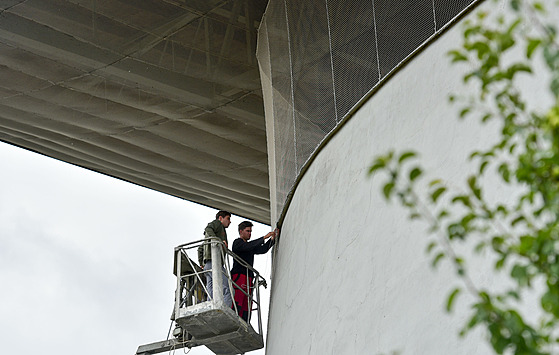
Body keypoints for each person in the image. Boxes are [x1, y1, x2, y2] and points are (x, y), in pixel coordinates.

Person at [230, 221, 277, 321]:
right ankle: (235, 318)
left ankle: (245, 321)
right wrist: (264, 238)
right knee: (239, 298)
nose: (249, 233)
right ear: (241, 231)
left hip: (248, 277)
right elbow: (248, 246)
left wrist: (272, 240)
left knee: (247, 301)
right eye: (247, 231)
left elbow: (262, 249)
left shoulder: (248, 245)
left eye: (250, 231)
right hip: (239, 276)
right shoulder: (237, 243)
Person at [198, 210, 232, 306]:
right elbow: (208, 228)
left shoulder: (216, 231)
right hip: (215, 264)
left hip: (208, 265)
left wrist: (202, 262)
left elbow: (200, 248)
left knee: (211, 292)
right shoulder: (218, 224)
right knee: (228, 290)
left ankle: (211, 307)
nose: (230, 222)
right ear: (220, 218)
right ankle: (226, 310)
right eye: (228, 219)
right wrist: (218, 241)